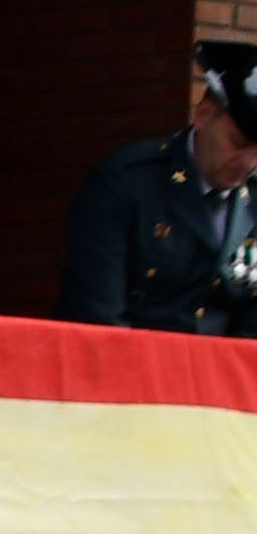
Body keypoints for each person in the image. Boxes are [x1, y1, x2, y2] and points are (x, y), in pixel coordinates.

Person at [56, 40, 257, 338]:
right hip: (124, 372)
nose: (248, 162)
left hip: (215, 378)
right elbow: (98, 317)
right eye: (238, 143)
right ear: (203, 114)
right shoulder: (127, 183)